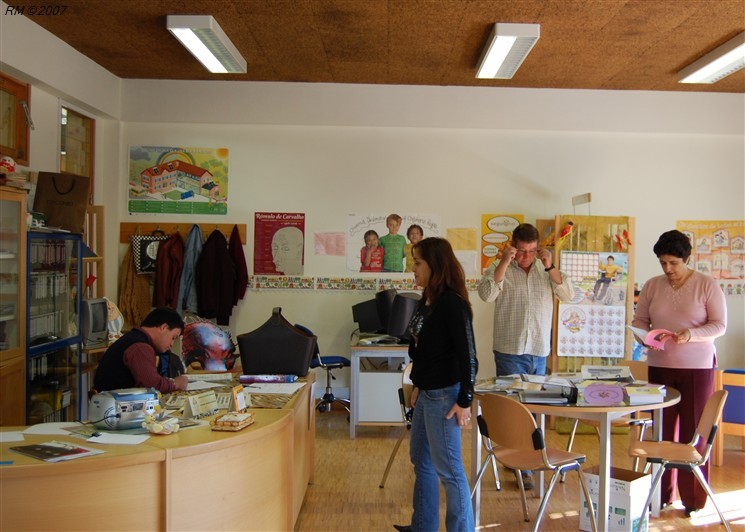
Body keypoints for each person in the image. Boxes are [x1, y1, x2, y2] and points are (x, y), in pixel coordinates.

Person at [632, 229, 726, 517]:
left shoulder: (707, 285)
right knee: (661, 433)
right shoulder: (652, 285)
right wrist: (644, 337)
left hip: (697, 368)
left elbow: (719, 325)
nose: (668, 269)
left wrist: (691, 335)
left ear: (687, 259)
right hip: (660, 366)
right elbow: (640, 321)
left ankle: (694, 500)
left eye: (674, 263)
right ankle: (659, 496)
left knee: (693, 433)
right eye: (663, 263)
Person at [476, 223, 574, 489]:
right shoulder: (501, 267)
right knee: (512, 410)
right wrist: (504, 262)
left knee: (532, 410)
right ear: (513, 246)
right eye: (521, 251)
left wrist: (550, 265)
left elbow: (569, 294)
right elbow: (486, 295)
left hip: (539, 350)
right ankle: (518, 464)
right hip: (510, 349)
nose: (527, 256)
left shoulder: (546, 270)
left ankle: (527, 460)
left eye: (532, 251)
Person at [394, 237, 477, 532]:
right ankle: (422, 526)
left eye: (417, 263)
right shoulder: (427, 300)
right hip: (427, 392)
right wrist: (417, 384)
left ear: (435, 266)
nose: (412, 269)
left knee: (450, 472)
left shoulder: (452, 304)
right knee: (422, 461)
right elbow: (423, 351)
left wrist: (465, 399)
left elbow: (469, 356)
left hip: (445, 396)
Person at [93, 307, 189, 394]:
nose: (172, 344)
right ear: (163, 327)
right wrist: (175, 384)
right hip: (116, 409)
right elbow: (152, 386)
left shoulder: (133, 338)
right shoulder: (140, 347)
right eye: (173, 337)